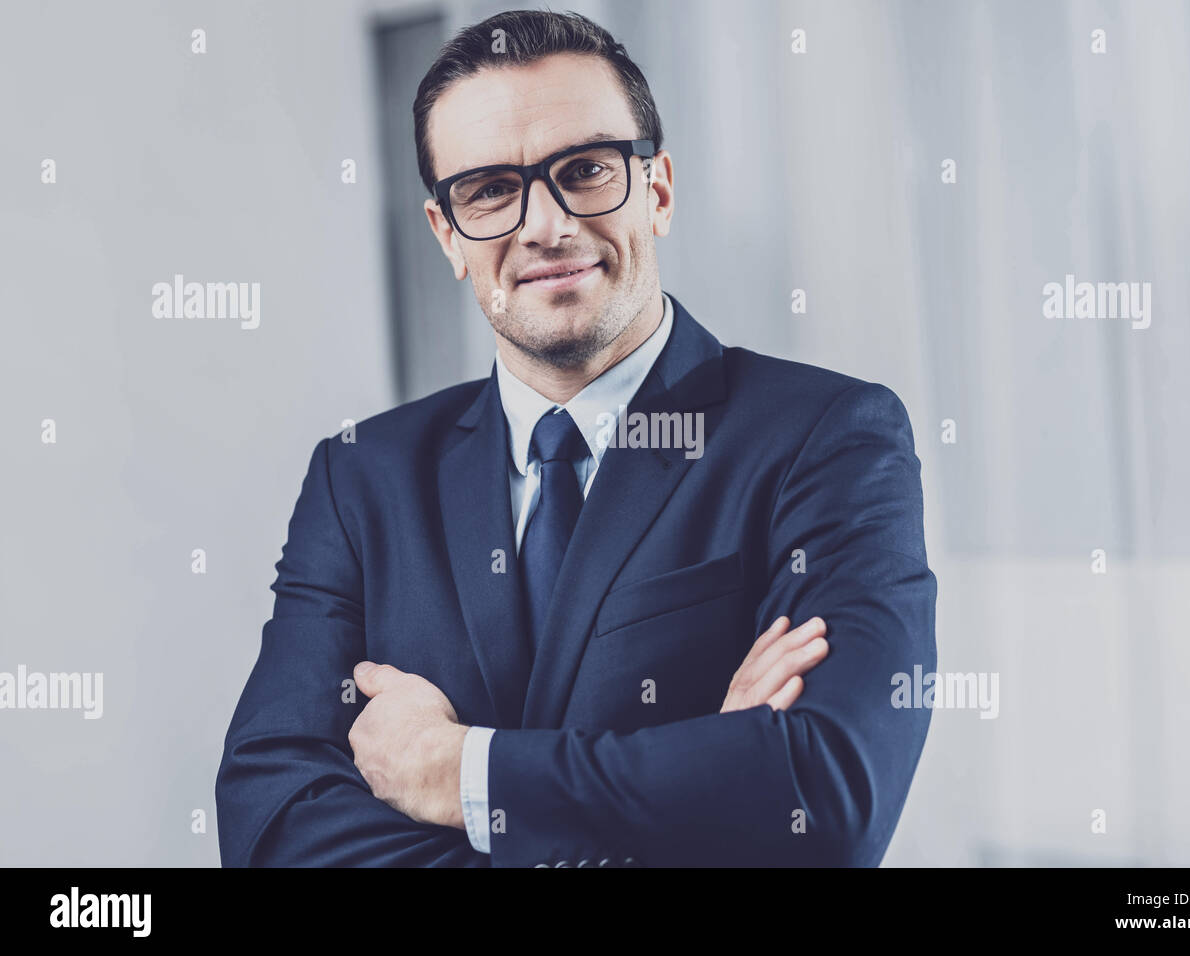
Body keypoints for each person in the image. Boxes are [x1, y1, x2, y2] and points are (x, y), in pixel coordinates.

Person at [215, 8, 936, 867]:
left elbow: (825, 796)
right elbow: (271, 822)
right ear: (447, 234)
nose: (544, 225)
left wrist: (464, 773)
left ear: (657, 190)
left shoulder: (825, 438)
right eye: (488, 190)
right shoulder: (360, 476)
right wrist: (700, 776)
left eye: (586, 169)